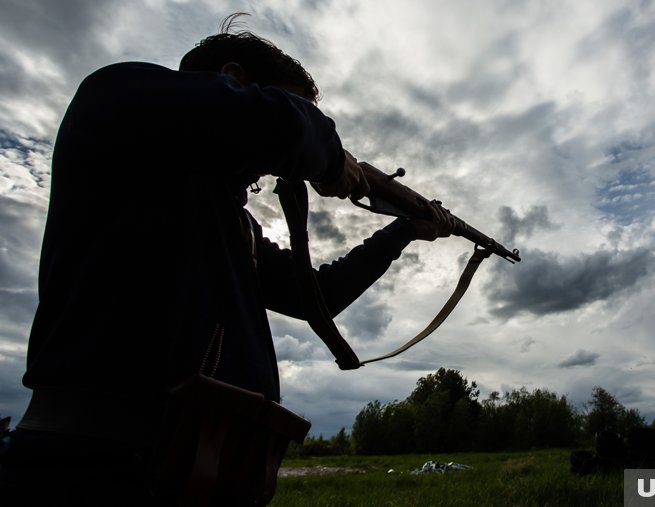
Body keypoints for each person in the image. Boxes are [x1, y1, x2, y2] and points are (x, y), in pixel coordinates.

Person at [0, 16, 454, 506]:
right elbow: (279, 125)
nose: (266, 164)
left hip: (189, 470)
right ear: (233, 80)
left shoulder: (236, 225)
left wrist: (404, 230)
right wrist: (327, 151)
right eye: (294, 104)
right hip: (92, 465)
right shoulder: (115, 95)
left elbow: (317, 298)